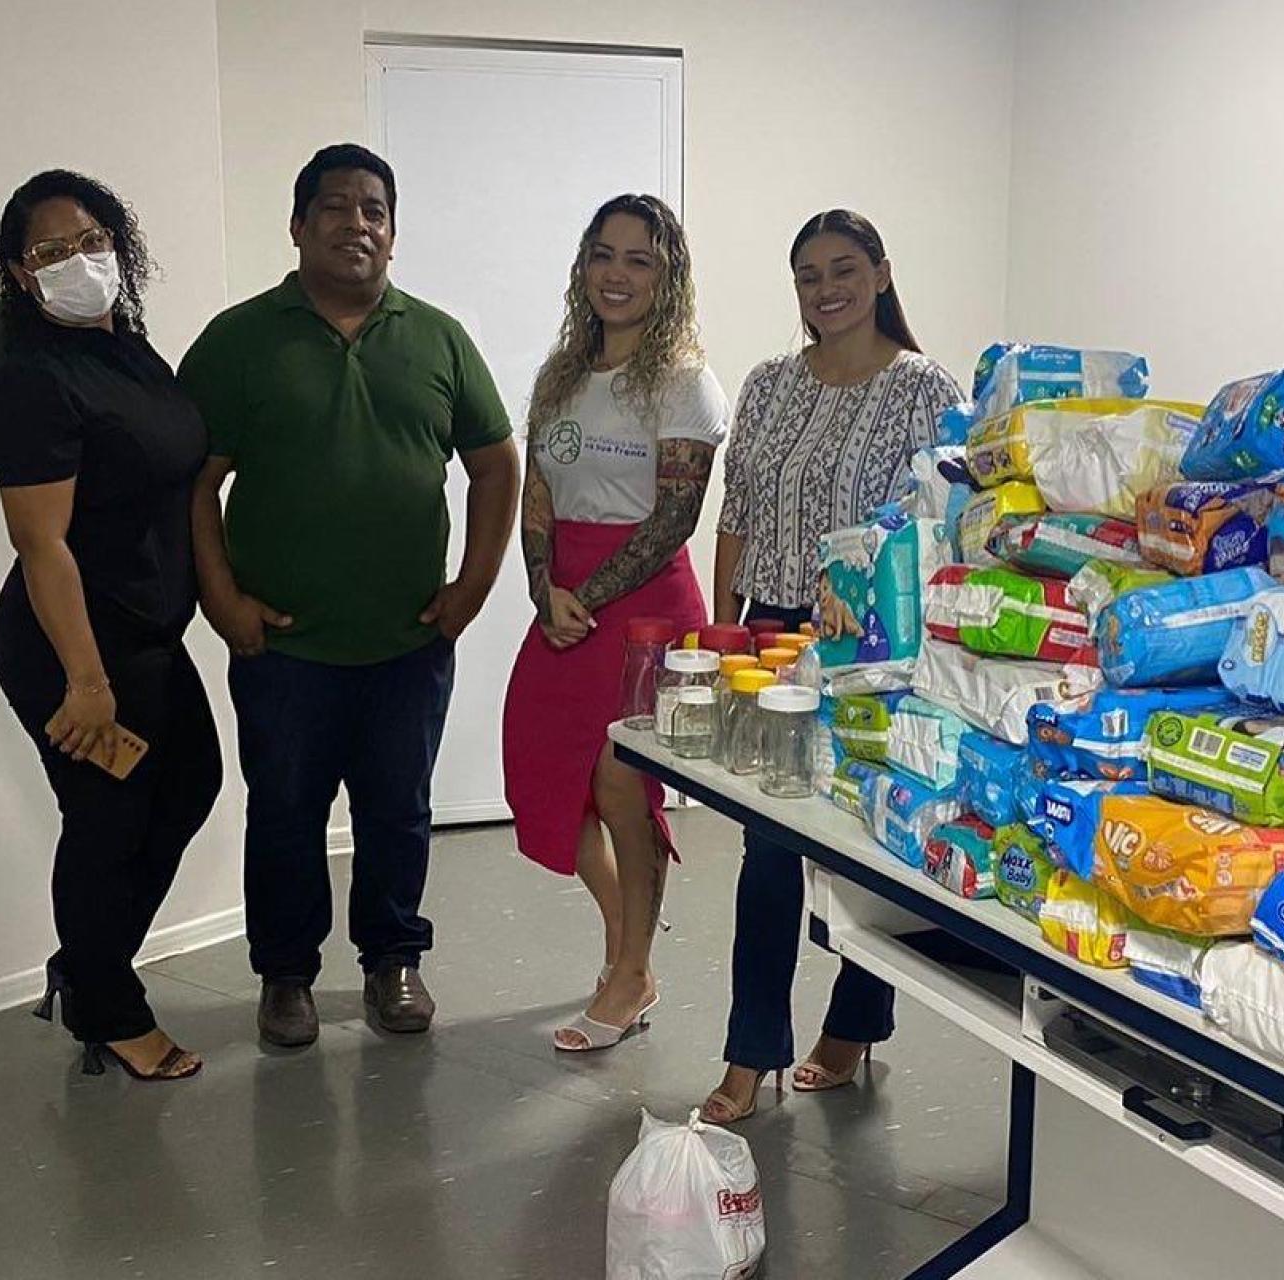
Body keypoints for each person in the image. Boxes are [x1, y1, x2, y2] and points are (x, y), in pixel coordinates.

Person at [180, 144, 519, 1047]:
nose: (356, 224)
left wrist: (474, 586)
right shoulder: (238, 340)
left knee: (398, 810)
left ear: (393, 234)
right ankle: (285, 976)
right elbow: (192, 484)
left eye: (374, 210)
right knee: (285, 813)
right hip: (282, 645)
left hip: (408, 641)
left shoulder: (439, 337)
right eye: (335, 207)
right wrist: (222, 601)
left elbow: (495, 464)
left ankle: (393, 961)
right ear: (298, 225)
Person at [701, 210, 964, 1123]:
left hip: (870, 644)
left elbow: (939, 523)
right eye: (808, 276)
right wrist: (721, 624)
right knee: (766, 844)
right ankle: (750, 1050)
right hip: (774, 636)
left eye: (844, 269)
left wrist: (867, 585)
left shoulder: (925, 390)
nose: (826, 289)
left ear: (883, 273)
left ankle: (852, 1028)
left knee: (865, 839)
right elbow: (737, 511)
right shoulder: (770, 383)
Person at [0, 170, 222, 1081]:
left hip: (149, 638)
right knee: (104, 820)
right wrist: (86, 681)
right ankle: (108, 1007)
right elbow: (42, 545)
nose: (77, 261)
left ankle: (87, 969)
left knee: (189, 783)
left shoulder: (128, 350)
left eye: (91, 241)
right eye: (51, 252)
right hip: (71, 646)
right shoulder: (31, 378)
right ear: (19, 273)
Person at [501, 194, 725, 1052]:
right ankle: (627, 942)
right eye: (603, 254)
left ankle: (630, 974)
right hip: (562, 598)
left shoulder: (683, 382)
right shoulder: (560, 374)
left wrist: (584, 599)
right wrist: (538, 589)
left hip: (645, 609)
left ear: (667, 275)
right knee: (546, 775)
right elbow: (539, 496)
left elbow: (675, 517)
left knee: (623, 787)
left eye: (639, 259)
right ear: (582, 267)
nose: (617, 274)